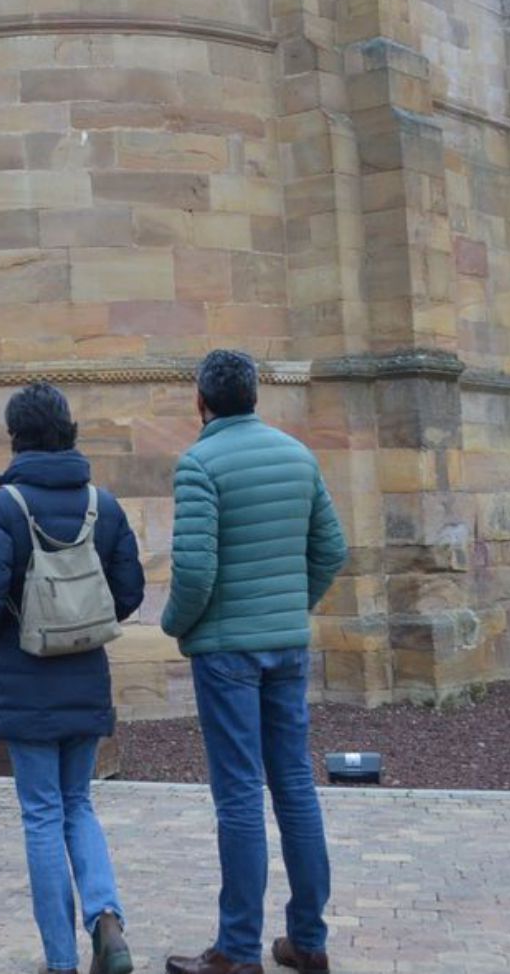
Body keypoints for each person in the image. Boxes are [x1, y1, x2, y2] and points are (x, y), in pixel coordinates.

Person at [162, 351, 347, 974]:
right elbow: (331, 548)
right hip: (286, 645)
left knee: (239, 794)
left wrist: (174, 625)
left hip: (225, 653)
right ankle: (309, 940)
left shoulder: (199, 464)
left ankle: (238, 951)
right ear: (255, 396)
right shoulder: (298, 456)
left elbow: (194, 572)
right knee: (294, 786)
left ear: (201, 402)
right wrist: (292, 608)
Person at [0, 383, 145, 974]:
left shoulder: (6, 505)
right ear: (67, 429)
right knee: (79, 804)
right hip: (86, 673)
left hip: (26, 674)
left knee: (42, 814)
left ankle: (62, 961)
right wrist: (82, 624)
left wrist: (0, 636)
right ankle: (108, 920)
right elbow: (129, 593)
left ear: (18, 436)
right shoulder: (106, 504)